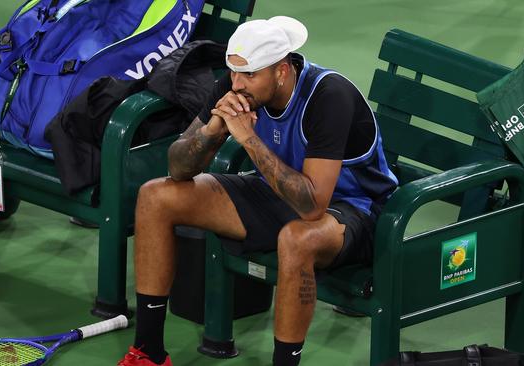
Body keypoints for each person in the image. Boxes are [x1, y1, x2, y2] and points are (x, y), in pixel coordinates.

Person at [117, 16, 398, 366]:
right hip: (279, 195)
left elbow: (312, 206)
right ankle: (148, 353)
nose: (237, 84)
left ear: (281, 71)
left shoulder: (328, 96)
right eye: (233, 73)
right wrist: (213, 133)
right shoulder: (235, 85)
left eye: (249, 75)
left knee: (298, 238)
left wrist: (247, 138)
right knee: (156, 196)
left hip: (357, 213)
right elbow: (177, 167)